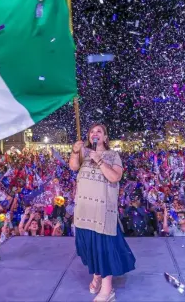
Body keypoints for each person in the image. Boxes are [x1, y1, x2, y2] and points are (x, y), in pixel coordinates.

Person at [69, 123, 136, 302]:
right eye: (92, 131)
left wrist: (98, 159)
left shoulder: (113, 155)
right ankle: (97, 275)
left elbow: (115, 177)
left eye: (99, 131)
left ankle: (108, 291)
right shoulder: (84, 153)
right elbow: (74, 167)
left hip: (102, 212)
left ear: (105, 137)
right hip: (84, 210)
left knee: (103, 249)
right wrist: (75, 151)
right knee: (89, 247)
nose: (95, 133)